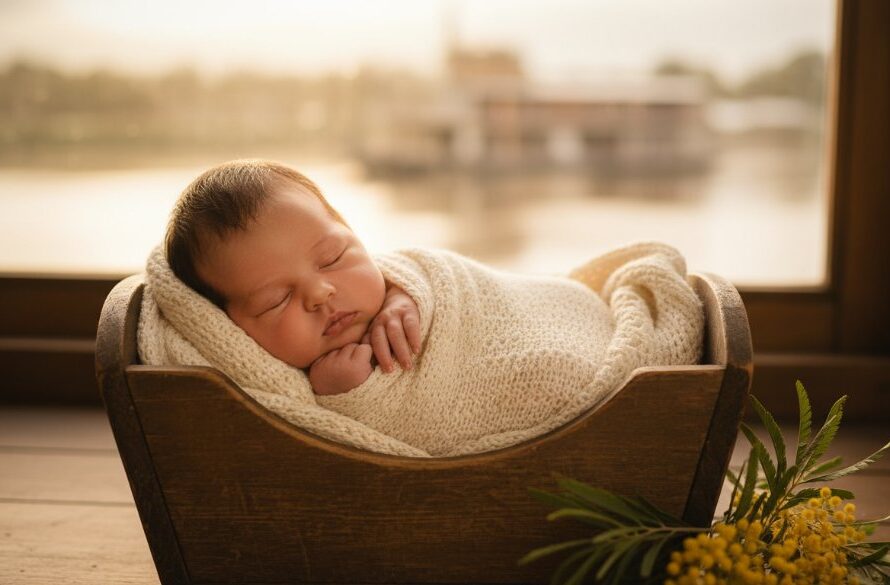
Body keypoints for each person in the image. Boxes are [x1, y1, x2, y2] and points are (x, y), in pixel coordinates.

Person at [165, 159, 421, 396]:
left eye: (332, 258)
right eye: (277, 300)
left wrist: (407, 294)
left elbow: (439, 277)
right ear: (228, 328)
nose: (320, 293)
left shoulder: (407, 289)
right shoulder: (265, 390)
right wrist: (338, 395)